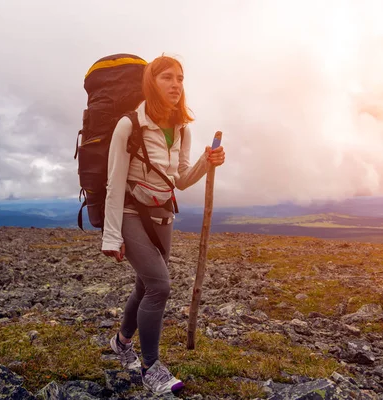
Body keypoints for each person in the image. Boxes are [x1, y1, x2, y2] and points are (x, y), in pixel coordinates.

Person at [101, 54, 226, 395]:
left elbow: (181, 179)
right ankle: (151, 368)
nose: (175, 84)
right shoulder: (130, 125)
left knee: (145, 285)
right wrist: (111, 236)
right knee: (160, 286)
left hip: (162, 214)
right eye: (167, 77)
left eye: (180, 78)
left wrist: (207, 160)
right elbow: (114, 182)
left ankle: (122, 343)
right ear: (151, 82)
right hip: (129, 212)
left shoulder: (182, 127)